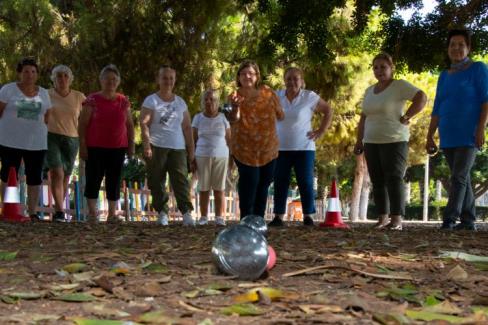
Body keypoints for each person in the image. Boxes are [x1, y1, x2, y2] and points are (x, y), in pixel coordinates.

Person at [354, 53, 427, 230]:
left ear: (391, 68)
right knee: (377, 180)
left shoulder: (399, 85)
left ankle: (396, 220)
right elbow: (364, 117)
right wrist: (359, 140)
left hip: (395, 140)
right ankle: (382, 218)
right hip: (371, 141)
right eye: (376, 67)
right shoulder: (369, 91)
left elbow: (421, 97)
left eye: (383, 67)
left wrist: (408, 115)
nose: (379, 71)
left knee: (394, 178)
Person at [426, 29, 488, 231]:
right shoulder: (444, 75)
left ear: (468, 48)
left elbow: (486, 100)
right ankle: (469, 221)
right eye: (453, 44)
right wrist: (430, 135)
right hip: (448, 133)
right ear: (448, 48)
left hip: (469, 132)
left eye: (461, 44)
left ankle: (449, 220)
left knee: (458, 177)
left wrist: (481, 128)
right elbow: (437, 106)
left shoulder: (478, 68)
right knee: (463, 177)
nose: (456, 48)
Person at [269, 67, 333, 227]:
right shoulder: (276, 96)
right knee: (280, 181)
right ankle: (278, 216)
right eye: (289, 78)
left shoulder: (309, 96)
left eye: (295, 78)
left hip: (304, 148)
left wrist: (321, 130)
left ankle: (308, 215)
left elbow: (327, 110)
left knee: (305, 181)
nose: (292, 82)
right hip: (280, 147)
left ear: (302, 81)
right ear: (284, 80)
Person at [226, 60, 284, 219]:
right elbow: (232, 119)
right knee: (250, 182)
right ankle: (246, 219)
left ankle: (258, 220)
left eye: (250, 73)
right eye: (243, 74)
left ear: (257, 76)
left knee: (264, 184)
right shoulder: (234, 96)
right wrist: (236, 107)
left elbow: (281, 115)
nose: (247, 76)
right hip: (245, 150)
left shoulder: (268, 93)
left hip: (268, 148)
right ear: (239, 77)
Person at [78, 64, 134, 223]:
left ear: (118, 82)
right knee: (93, 178)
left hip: (118, 147)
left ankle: (112, 214)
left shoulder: (123, 101)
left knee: (114, 180)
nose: (111, 82)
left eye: (114, 79)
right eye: (107, 78)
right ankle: (92, 214)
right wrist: (82, 145)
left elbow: (129, 125)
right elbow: (82, 124)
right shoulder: (92, 100)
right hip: (94, 147)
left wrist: (131, 145)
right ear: (101, 80)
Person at [140, 65, 195, 226]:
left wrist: (191, 152)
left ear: (175, 80)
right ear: (158, 79)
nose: (168, 81)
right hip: (156, 146)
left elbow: (187, 128)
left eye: (171, 78)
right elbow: (144, 124)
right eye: (165, 78)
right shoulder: (151, 100)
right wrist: (146, 146)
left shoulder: (181, 102)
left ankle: (186, 213)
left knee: (180, 181)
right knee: (156, 180)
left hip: (177, 147)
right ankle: (162, 213)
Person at [0, 57, 52, 221]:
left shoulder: (44, 93)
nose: (30, 75)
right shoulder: (8, 90)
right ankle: (9, 209)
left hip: (36, 142)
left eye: (33, 71)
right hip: (10, 141)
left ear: (37, 74)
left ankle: (33, 212)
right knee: (9, 174)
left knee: (35, 176)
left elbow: (47, 116)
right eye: (26, 71)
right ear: (19, 74)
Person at [46, 65, 85, 222]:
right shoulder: (46, 94)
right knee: (57, 172)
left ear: (70, 79)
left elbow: (87, 117)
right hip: (51, 136)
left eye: (65, 76)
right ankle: (60, 211)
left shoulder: (79, 97)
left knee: (66, 177)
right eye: (59, 76)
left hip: (72, 138)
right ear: (53, 79)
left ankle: (58, 209)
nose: (62, 79)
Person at [192, 89, 231, 226]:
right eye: (206, 100)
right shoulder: (198, 118)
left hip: (221, 156)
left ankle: (219, 217)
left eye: (212, 99)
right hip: (201, 155)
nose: (209, 102)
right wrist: (192, 159)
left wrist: (232, 160)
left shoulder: (223, 117)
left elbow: (229, 139)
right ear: (203, 102)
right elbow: (193, 139)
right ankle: (203, 217)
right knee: (203, 188)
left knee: (219, 188)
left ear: (217, 102)